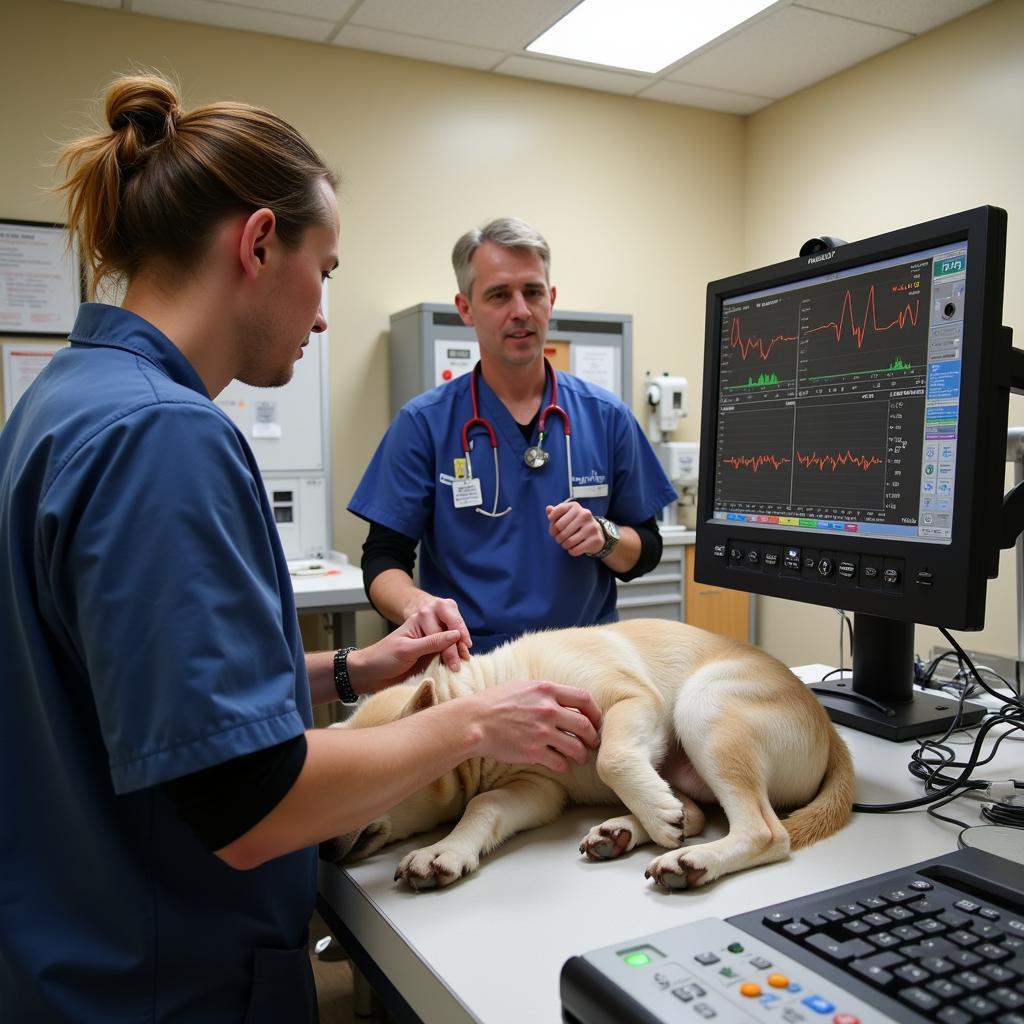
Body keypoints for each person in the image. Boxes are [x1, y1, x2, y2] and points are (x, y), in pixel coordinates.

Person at [0, 76, 602, 1023]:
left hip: (77, 949)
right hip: (165, 980)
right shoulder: (163, 436)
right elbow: (248, 806)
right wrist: (477, 722)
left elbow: (136, 689)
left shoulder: (66, 398)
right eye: (324, 272)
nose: (323, 314)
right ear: (258, 244)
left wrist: (355, 670)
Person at [349, 217, 679, 654]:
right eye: (499, 295)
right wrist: (417, 605)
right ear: (465, 308)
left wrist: (605, 538)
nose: (520, 310)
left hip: (584, 660)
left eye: (533, 292)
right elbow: (383, 556)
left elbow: (647, 548)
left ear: (551, 299)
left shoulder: (606, 417)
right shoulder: (424, 424)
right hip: (472, 663)